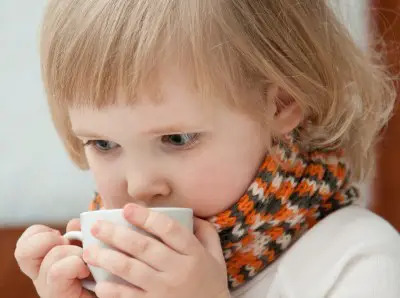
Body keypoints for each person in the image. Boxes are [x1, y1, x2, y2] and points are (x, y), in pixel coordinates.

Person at [15, 0, 400, 297]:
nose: (138, 185)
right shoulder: (102, 273)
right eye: (103, 144)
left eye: (176, 139)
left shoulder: (358, 258)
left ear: (281, 104)